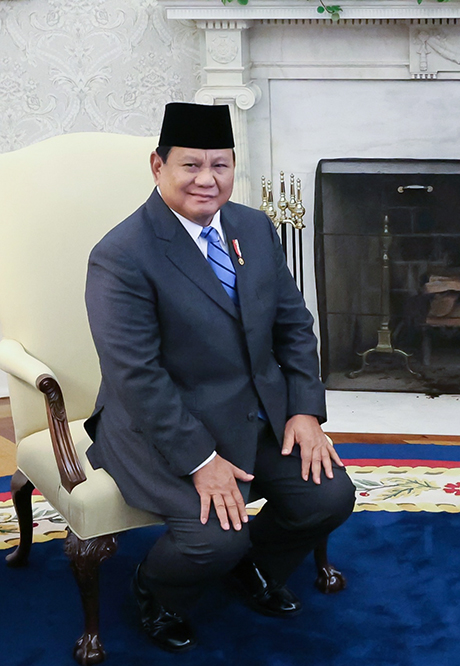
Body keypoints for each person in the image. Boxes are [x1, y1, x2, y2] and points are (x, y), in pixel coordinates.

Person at [84, 102, 355, 653]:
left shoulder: (253, 228)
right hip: (159, 425)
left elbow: (294, 326)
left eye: (221, 165)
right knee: (212, 539)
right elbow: (137, 377)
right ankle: (153, 591)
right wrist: (200, 461)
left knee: (328, 498)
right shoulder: (120, 256)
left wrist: (303, 409)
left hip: (254, 411)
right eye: (191, 165)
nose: (207, 180)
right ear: (157, 165)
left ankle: (252, 566)